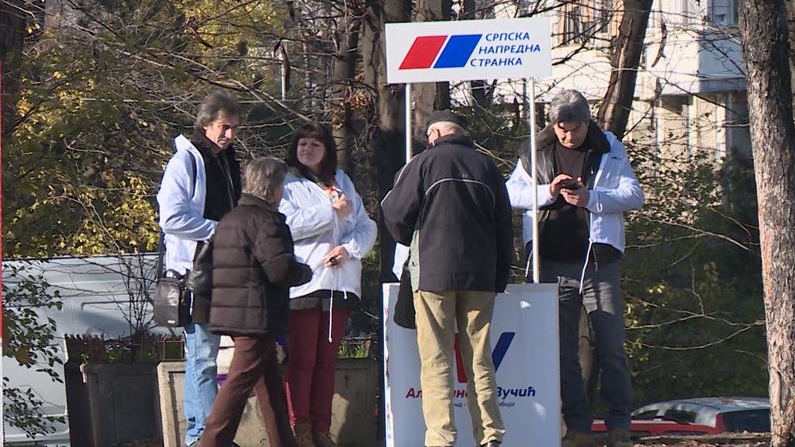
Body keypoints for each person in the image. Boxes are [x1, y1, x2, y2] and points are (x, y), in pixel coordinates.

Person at [505, 89, 644, 447]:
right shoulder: (533, 151)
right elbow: (507, 194)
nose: (569, 135)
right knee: (563, 351)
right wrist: (546, 192)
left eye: (576, 128)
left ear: (587, 121)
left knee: (611, 344)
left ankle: (618, 424)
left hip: (598, 261)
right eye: (563, 128)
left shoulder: (607, 146)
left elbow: (634, 194)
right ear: (553, 124)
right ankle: (578, 427)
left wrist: (591, 199)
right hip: (550, 261)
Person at [381, 110, 513, 447]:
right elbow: (504, 227)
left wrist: (410, 236)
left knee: (436, 358)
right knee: (479, 358)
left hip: (433, 273)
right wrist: (499, 277)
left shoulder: (424, 163)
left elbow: (394, 213)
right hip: (481, 276)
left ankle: (441, 438)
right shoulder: (487, 167)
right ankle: (490, 434)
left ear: (436, 133)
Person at [198, 157, 312, 447]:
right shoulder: (266, 221)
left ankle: (283, 442)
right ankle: (210, 442)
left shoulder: (230, 218)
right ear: (273, 189)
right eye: (282, 186)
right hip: (256, 315)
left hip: (232, 311)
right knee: (238, 384)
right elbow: (279, 270)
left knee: (270, 384)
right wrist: (305, 271)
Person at [278, 122, 377, 447]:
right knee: (302, 361)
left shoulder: (343, 182)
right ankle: (299, 428)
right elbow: (285, 227)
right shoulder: (287, 184)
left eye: (314, 144)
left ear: (326, 150)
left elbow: (365, 226)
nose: (306, 149)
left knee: (325, 362)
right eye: (302, 143)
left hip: (340, 286)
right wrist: (329, 212)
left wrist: (347, 250)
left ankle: (322, 429)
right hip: (304, 285)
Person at [157, 90, 242, 447]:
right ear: (206, 124)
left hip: (222, 268)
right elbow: (172, 217)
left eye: (235, 128)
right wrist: (220, 230)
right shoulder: (186, 162)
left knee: (206, 353)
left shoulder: (226, 160)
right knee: (203, 353)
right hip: (196, 271)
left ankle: (202, 433)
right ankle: (206, 435)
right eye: (225, 127)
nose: (230, 135)